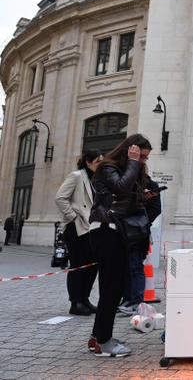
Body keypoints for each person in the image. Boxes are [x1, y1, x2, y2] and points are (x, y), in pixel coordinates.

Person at [87, 133, 153, 357]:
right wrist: (134, 164)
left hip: (118, 232)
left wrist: (143, 194)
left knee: (113, 288)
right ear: (130, 151)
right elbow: (120, 189)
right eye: (141, 156)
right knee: (112, 289)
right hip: (107, 231)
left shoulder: (127, 169)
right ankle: (103, 343)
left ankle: (98, 337)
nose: (143, 161)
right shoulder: (107, 167)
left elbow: (126, 195)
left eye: (145, 158)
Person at [55, 149, 103, 316]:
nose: (100, 165)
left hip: (93, 227)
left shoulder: (97, 180)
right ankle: (75, 302)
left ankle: (85, 299)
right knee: (78, 266)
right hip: (77, 228)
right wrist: (73, 217)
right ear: (88, 162)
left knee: (92, 265)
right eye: (98, 161)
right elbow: (60, 197)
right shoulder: (76, 176)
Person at [118, 176, 162, 315]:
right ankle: (126, 299)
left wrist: (141, 222)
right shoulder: (123, 183)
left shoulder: (150, 184)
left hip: (139, 233)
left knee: (136, 267)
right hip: (122, 231)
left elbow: (156, 209)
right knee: (124, 268)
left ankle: (135, 301)